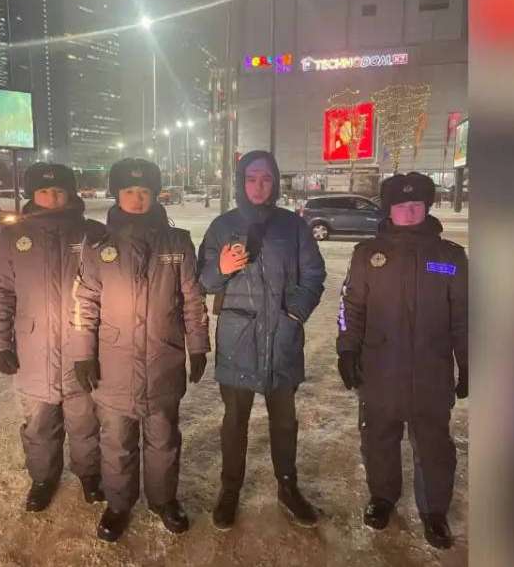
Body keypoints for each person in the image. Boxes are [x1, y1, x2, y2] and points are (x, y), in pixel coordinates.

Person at [67, 158, 210, 542]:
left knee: (163, 439)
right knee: (117, 442)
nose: (137, 199)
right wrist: (83, 351)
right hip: (114, 366)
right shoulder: (99, 246)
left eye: (144, 192)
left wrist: (197, 345)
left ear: (155, 195)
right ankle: (119, 503)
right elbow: (85, 301)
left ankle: (164, 500)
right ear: (116, 194)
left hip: (163, 361)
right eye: (129, 192)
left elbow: (193, 299)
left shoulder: (177, 243)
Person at [336, 172, 468, 548]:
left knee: (434, 444)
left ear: (427, 206)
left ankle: (434, 511)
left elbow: (464, 317)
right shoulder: (368, 255)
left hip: (431, 370)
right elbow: (351, 307)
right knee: (378, 437)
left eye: (416, 205)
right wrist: (347, 348)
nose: (409, 213)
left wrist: (469, 361)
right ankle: (382, 496)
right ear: (388, 210)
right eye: (400, 206)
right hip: (379, 368)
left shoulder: (450, 258)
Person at [196, 150, 327, 530]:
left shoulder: (294, 227)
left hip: (283, 340)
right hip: (238, 339)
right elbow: (202, 280)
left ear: (275, 181)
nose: (259, 185)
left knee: (284, 422)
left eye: (266, 178)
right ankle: (230, 489)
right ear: (241, 181)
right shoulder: (222, 226)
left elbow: (314, 275)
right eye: (252, 178)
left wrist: (294, 314)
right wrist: (220, 269)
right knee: (234, 421)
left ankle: (288, 487)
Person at [0, 163, 107, 511]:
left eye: (58, 191)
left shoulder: (91, 233)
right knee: (39, 424)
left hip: (82, 350)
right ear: (32, 195)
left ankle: (90, 475)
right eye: (43, 191)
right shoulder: (14, 236)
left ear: (70, 193)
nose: (51, 198)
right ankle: (43, 477)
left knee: (85, 420)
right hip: (32, 351)